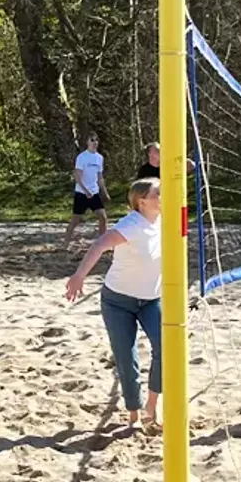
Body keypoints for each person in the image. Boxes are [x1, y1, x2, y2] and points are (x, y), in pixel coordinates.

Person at [65, 177, 161, 430]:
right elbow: (99, 244)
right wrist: (78, 276)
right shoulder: (132, 225)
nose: (164, 197)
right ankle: (134, 414)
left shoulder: (165, 220)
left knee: (167, 349)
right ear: (142, 202)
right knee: (126, 357)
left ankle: (152, 405)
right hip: (118, 300)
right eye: (159, 194)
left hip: (152, 299)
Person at [62, 133, 109, 249]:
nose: (95, 142)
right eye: (92, 140)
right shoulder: (82, 157)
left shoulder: (99, 158)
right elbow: (77, 176)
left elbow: (99, 177)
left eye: (96, 140)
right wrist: (85, 190)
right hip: (82, 193)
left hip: (94, 193)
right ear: (87, 142)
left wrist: (105, 192)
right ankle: (65, 244)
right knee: (75, 220)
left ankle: (102, 244)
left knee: (103, 217)